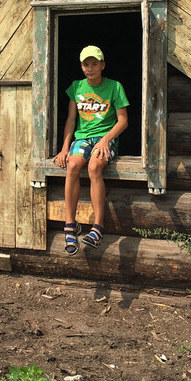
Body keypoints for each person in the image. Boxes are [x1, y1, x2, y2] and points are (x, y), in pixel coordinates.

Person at [53, 45, 129, 255]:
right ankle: (70, 224)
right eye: (86, 64)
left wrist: (106, 140)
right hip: (83, 138)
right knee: (73, 165)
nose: (90, 68)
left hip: (106, 138)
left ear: (103, 65)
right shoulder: (76, 87)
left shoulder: (114, 87)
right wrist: (64, 148)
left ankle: (98, 226)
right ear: (81, 67)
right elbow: (71, 120)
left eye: (94, 64)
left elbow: (123, 121)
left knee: (94, 167)